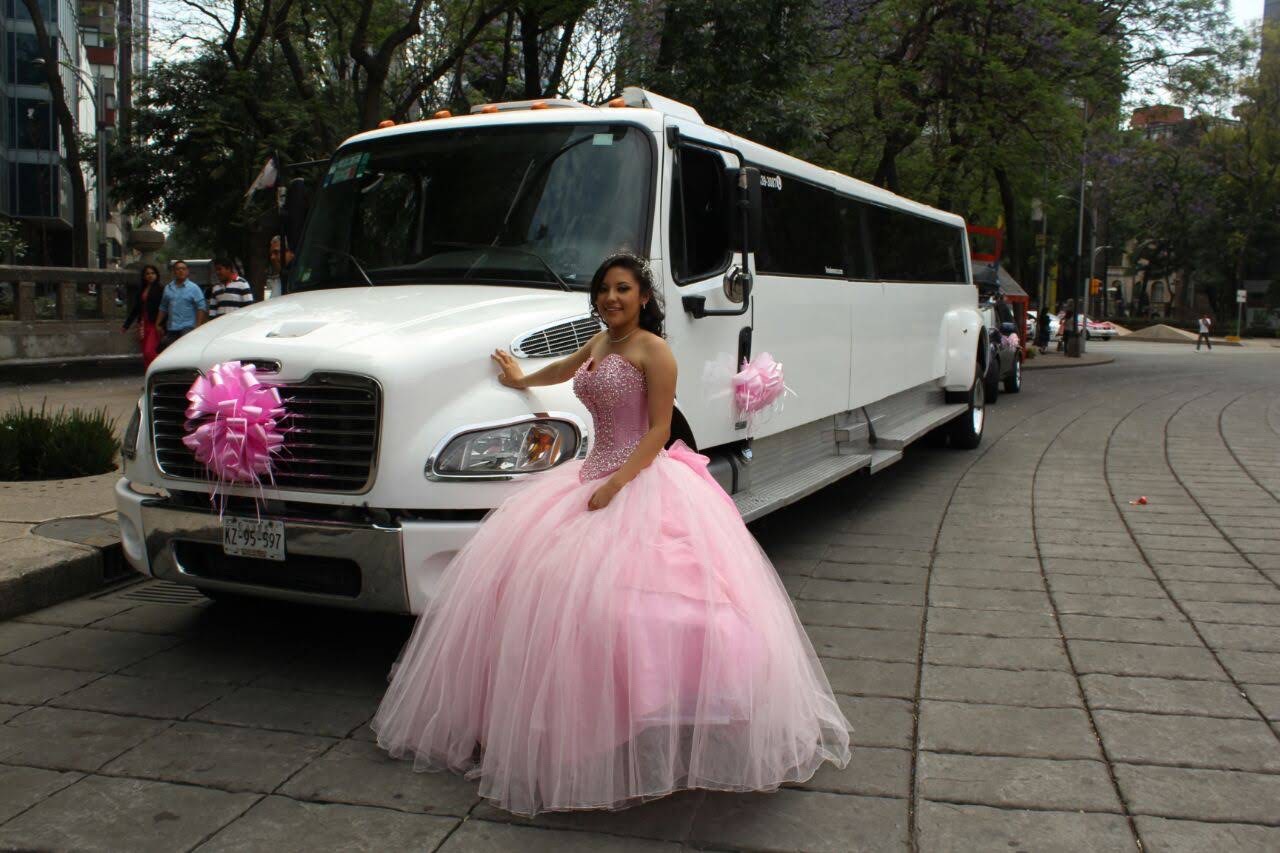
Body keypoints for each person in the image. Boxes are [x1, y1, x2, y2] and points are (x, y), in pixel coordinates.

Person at [372, 253, 851, 817]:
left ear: (643, 297)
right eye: (603, 289)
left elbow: (660, 429)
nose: (611, 298)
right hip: (587, 476)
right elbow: (565, 368)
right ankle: (571, 719)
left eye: (622, 289)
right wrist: (521, 378)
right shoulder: (601, 342)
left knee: (644, 599)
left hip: (639, 479)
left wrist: (619, 483)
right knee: (550, 592)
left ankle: (653, 711)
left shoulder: (654, 350)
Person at [156, 260, 207, 351]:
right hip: (172, 327)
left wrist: (198, 325)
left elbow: (201, 306)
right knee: (170, 351)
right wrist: (158, 323)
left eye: (183, 269)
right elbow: (163, 307)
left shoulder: (194, 288)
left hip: (188, 327)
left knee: (186, 351)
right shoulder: (168, 288)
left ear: (187, 271)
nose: (181, 271)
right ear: (174, 272)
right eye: (178, 269)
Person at [121, 264, 163, 368]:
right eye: (147, 274)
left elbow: (164, 308)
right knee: (145, 352)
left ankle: (157, 370)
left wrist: (162, 324)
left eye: (153, 273)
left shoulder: (161, 289)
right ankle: (148, 374)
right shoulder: (141, 290)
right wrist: (126, 325)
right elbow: (136, 309)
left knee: (150, 351)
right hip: (143, 324)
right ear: (144, 276)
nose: (150, 275)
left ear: (157, 275)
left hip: (155, 324)